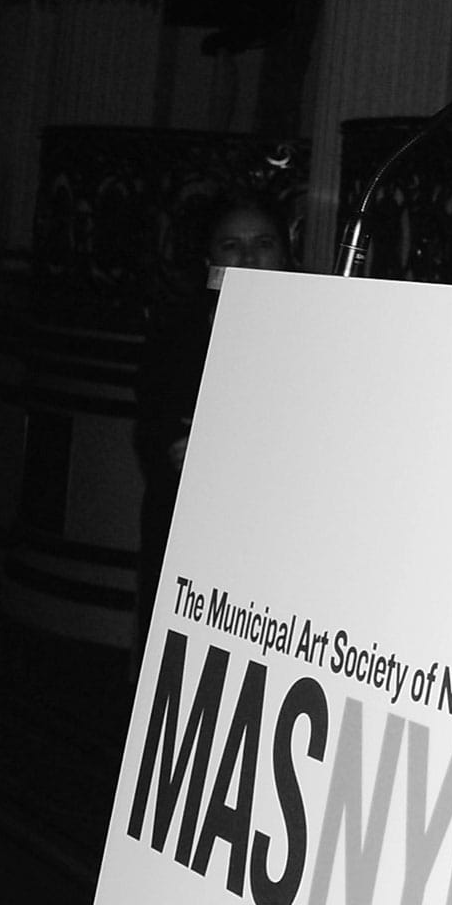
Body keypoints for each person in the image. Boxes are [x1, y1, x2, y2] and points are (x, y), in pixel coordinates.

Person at [132, 194, 289, 642]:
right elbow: (154, 429)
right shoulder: (175, 332)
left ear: (284, 253)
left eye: (263, 243)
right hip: (193, 531)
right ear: (209, 259)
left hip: (278, 536)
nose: (249, 258)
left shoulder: (325, 330)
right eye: (231, 246)